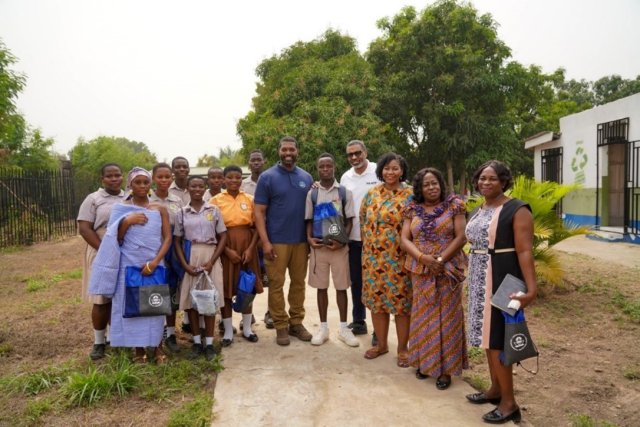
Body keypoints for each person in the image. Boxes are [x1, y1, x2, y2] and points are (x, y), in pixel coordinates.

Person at [465, 160, 537, 424]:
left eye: (493, 178)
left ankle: (509, 403)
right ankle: (495, 389)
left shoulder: (517, 209)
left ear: (504, 181)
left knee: (497, 338)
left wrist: (531, 288)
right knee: (486, 339)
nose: (486, 183)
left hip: (503, 279)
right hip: (478, 277)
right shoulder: (479, 208)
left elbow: (525, 250)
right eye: (482, 178)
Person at [89, 167, 172, 364]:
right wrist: (127, 222)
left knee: (155, 304)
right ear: (130, 185)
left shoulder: (160, 209)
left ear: (150, 184)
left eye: (146, 182)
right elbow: (114, 239)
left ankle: (158, 348)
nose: (142, 186)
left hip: (154, 265)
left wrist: (155, 261)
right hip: (129, 265)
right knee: (132, 305)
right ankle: (139, 350)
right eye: (138, 182)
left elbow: (167, 238)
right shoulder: (121, 210)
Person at [400, 167, 468, 390]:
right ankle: (424, 363)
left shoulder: (454, 205)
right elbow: (404, 239)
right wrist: (423, 258)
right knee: (423, 316)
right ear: (419, 188)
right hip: (420, 269)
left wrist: (439, 259)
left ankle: (446, 370)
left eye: (435, 183)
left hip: (447, 269)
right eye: (426, 184)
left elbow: (461, 236)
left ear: (441, 184)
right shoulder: (412, 209)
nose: (431, 187)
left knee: (447, 318)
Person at [254, 136, 313, 346]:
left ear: (298, 151)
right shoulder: (267, 177)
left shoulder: (306, 177)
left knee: (298, 284)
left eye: (292, 149)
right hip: (276, 241)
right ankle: (280, 325)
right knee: (277, 285)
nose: (288, 153)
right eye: (284, 149)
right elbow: (259, 212)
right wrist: (265, 242)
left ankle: (296, 322)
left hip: (300, 241)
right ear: (279, 151)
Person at [360, 152, 413, 365]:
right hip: (373, 260)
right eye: (387, 168)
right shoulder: (372, 193)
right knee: (377, 303)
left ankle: (402, 349)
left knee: (401, 305)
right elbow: (363, 220)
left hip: (399, 259)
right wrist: (368, 249)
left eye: (395, 168)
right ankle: (381, 345)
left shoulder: (410, 194)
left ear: (402, 171)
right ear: (381, 170)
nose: (390, 172)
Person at [305, 153, 359, 347]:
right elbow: (309, 220)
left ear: (335, 167)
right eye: (322, 167)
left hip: (339, 248)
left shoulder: (344, 193)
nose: (326, 169)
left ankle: (344, 328)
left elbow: (350, 221)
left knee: (342, 287)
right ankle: (323, 327)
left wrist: (342, 242)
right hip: (320, 248)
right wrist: (310, 238)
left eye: (329, 166)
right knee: (321, 287)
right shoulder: (312, 193)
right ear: (317, 169)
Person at [174, 175, 227, 360]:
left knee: (210, 300)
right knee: (192, 303)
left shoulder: (214, 209)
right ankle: (197, 342)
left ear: (205, 188)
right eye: (193, 186)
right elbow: (177, 241)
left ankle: (210, 344)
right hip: (191, 255)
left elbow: (223, 237)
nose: (197, 189)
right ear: (187, 188)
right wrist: (185, 264)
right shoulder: (181, 212)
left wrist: (212, 261)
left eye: (200, 186)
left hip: (210, 255)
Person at [211, 165, 264, 346]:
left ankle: (247, 328)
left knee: (246, 287)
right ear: (224, 180)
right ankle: (227, 331)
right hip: (225, 246)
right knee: (226, 288)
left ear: (242, 179)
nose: (234, 181)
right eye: (230, 177)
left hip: (247, 246)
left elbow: (257, 226)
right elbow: (212, 230)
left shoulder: (249, 199)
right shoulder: (216, 200)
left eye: (238, 177)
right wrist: (226, 250)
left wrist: (250, 249)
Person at [77, 163, 125, 360]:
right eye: (109, 176)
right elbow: (84, 228)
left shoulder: (128, 197)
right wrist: (104, 249)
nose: (114, 179)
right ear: (102, 179)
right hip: (100, 250)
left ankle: (116, 338)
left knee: (118, 296)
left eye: (117, 175)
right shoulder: (93, 199)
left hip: (123, 251)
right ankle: (99, 341)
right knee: (101, 299)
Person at [339, 140, 380, 343]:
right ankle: (359, 321)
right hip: (354, 239)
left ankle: (378, 331)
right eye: (350, 155)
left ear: (365, 152)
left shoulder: (378, 171)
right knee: (357, 282)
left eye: (357, 153)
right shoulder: (346, 177)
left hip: (377, 241)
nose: (354, 157)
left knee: (376, 283)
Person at [150, 162, 184, 353]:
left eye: (167, 177)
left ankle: (170, 333)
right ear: (153, 178)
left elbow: (180, 228)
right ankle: (155, 335)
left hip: (172, 251)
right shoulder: (147, 199)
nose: (164, 180)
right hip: (153, 251)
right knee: (155, 292)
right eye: (160, 177)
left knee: (171, 292)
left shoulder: (177, 200)